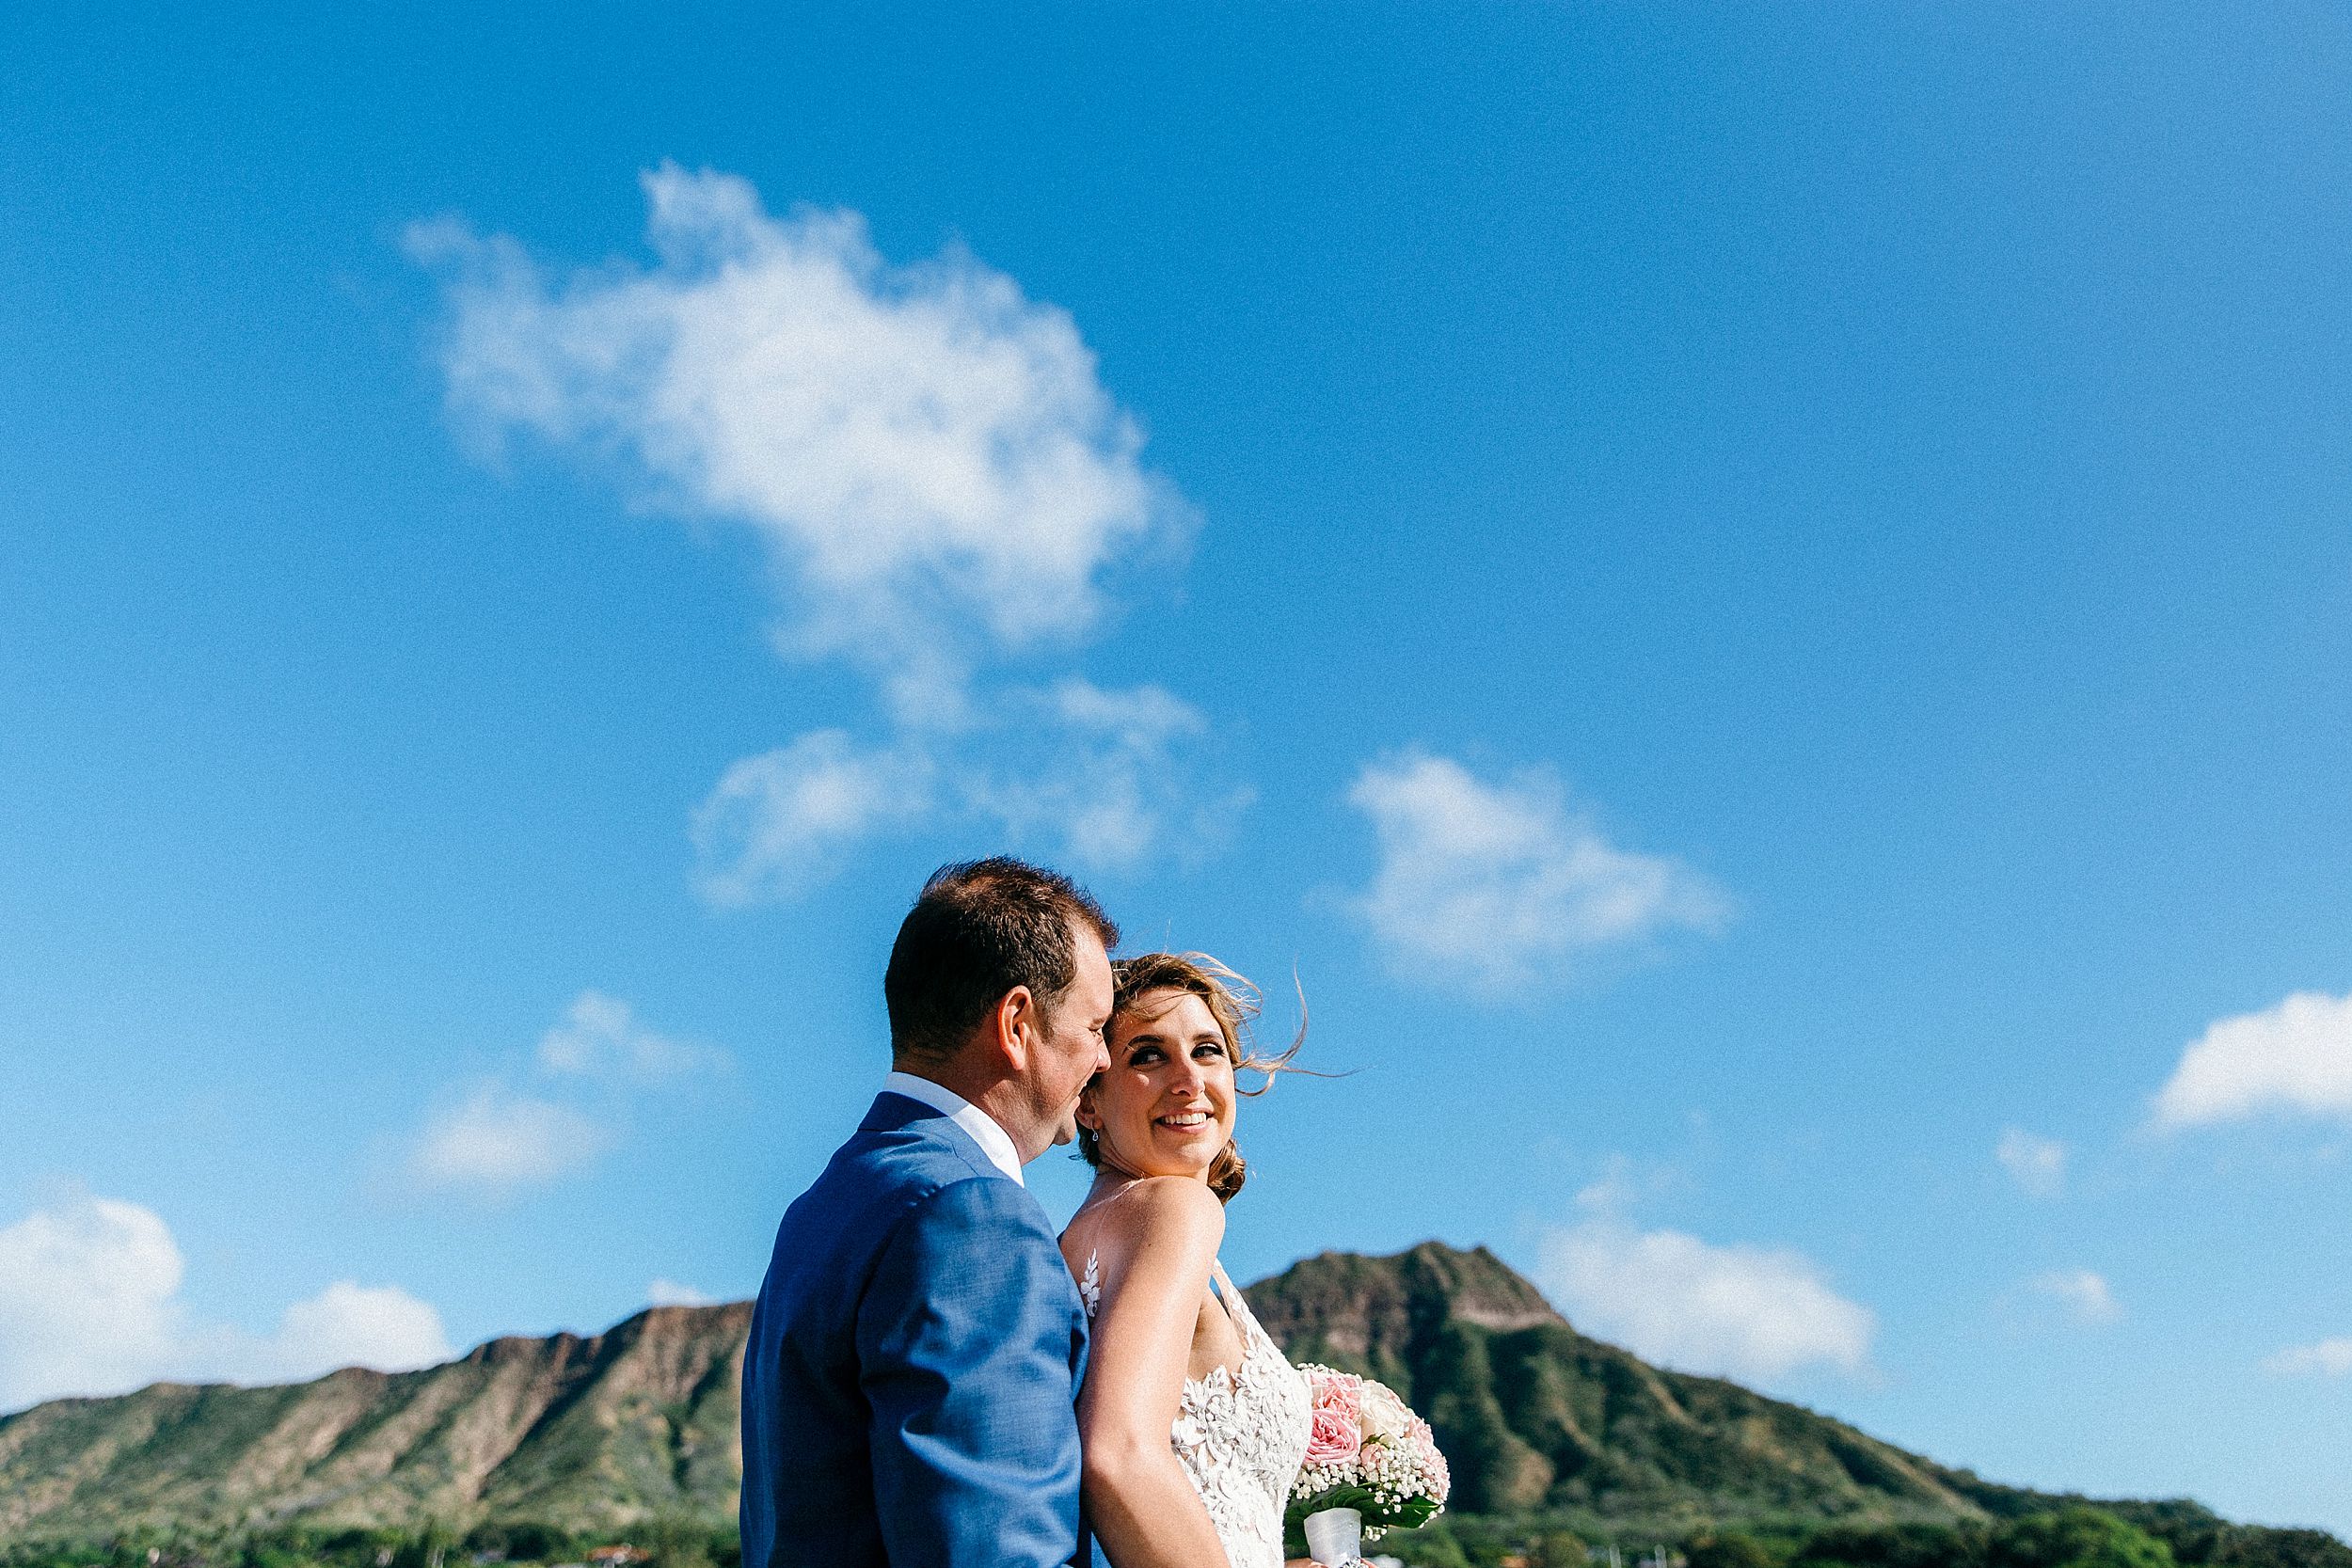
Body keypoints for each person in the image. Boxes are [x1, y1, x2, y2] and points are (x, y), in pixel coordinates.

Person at [739, 857, 1118, 1568]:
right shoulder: (972, 1216)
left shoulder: (824, 1204)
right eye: (1095, 1026)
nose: (1103, 1059)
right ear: (1017, 1023)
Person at [1059, 953, 1321, 1568]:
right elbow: (1118, 1451)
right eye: (1147, 1055)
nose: (1189, 1079)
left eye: (1207, 1050)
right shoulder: (1176, 1208)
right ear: (1088, 1102)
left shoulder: (1087, 1233)